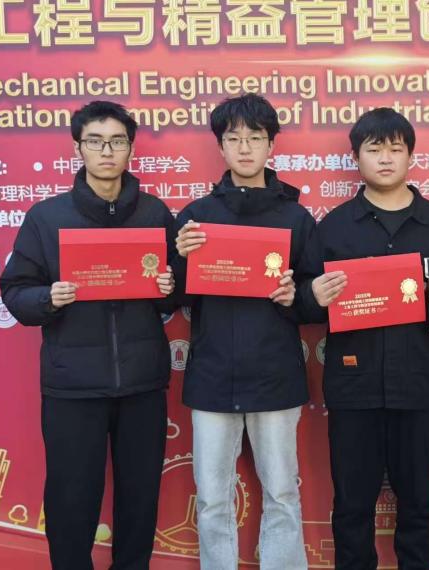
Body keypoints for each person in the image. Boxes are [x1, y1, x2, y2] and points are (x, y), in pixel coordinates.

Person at [0, 100, 176, 570]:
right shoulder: (47, 217)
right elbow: (15, 291)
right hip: (72, 385)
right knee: (71, 499)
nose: (107, 151)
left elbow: (176, 291)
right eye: (95, 141)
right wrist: (48, 298)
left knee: (140, 498)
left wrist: (169, 287)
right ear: (78, 148)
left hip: (141, 383)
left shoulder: (155, 214)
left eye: (117, 141)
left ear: (131, 148)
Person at [296, 108, 429, 569]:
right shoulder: (333, 228)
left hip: (419, 385)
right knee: (352, 505)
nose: (385, 159)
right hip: (354, 387)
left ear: (411, 156)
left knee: (420, 503)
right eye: (374, 149)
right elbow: (301, 303)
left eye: (395, 149)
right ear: (356, 157)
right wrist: (313, 295)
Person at [170, 93, 315, 570]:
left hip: (276, 373)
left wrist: (296, 295)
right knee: (212, 497)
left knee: (282, 492)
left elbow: (317, 296)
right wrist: (180, 258)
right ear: (221, 146)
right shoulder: (196, 217)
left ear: (271, 145)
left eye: (255, 138)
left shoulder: (295, 217)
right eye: (234, 139)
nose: (245, 148)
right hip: (212, 375)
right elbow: (172, 296)